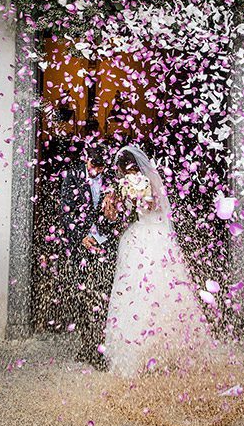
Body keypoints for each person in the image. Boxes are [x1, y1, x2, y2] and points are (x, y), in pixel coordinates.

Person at [102, 145, 211, 377]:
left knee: (159, 286)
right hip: (137, 235)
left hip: (155, 236)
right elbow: (121, 214)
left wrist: (137, 194)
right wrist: (117, 202)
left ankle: (168, 349)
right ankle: (134, 352)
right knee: (133, 289)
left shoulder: (149, 181)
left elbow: (153, 205)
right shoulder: (122, 185)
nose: (124, 176)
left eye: (125, 171)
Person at [58, 145, 122, 367]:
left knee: (103, 296)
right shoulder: (72, 176)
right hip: (81, 246)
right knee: (83, 298)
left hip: (105, 243)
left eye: (100, 167)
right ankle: (87, 346)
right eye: (93, 165)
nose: (96, 171)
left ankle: (100, 348)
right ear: (87, 160)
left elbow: (117, 214)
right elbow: (64, 212)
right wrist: (80, 237)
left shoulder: (112, 179)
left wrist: (112, 214)